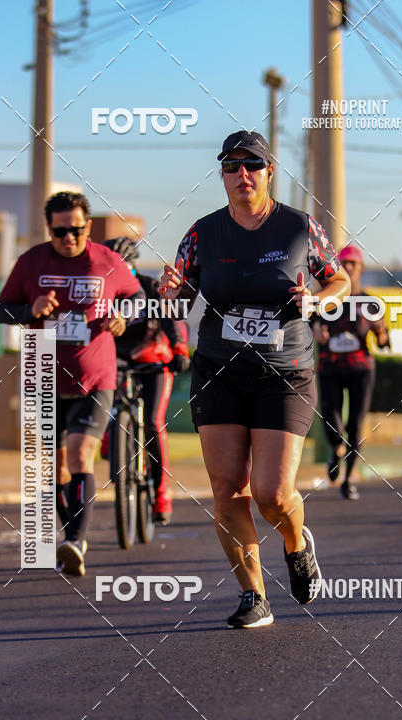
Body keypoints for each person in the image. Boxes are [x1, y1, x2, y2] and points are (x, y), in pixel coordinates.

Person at [159, 130, 350, 628]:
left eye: (252, 165)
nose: (241, 174)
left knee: (272, 495)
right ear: (222, 174)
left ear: (269, 171)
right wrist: (170, 290)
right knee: (227, 489)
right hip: (220, 370)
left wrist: (319, 299)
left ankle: (296, 542)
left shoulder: (298, 227)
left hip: (284, 372)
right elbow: (177, 297)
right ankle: (253, 596)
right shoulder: (202, 232)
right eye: (231, 166)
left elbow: (339, 278)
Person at [0, 191, 142, 575]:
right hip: (43, 376)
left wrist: (123, 316)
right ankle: (69, 535)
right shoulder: (31, 262)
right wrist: (30, 310)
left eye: (76, 230)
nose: (68, 238)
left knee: (79, 454)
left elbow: (138, 296)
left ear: (88, 227)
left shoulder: (107, 262)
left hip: (95, 376)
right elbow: (1, 309)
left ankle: (75, 541)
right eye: (60, 232)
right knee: (55, 468)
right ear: (50, 229)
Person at [103, 237, 190, 524]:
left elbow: (172, 320)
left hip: (154, 359)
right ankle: (112, 441)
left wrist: (178, 348)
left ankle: (162, 493)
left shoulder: (149, 287)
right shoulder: (103, 290)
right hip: (116, 361)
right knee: (103, 407)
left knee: (153, 421)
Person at [312, 243, 388, 499]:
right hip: (330, 367)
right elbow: (309, 326)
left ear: (361, 269)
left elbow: (384, 343)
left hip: (361, 370)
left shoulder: (369, 302)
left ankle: (349, 480)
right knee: (331, 420)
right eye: (343, 263)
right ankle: (336, 451)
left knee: (356, 425)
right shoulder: (325, 299)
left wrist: (381, 332)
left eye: (353, 264)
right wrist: (316, 334)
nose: (349, 268)